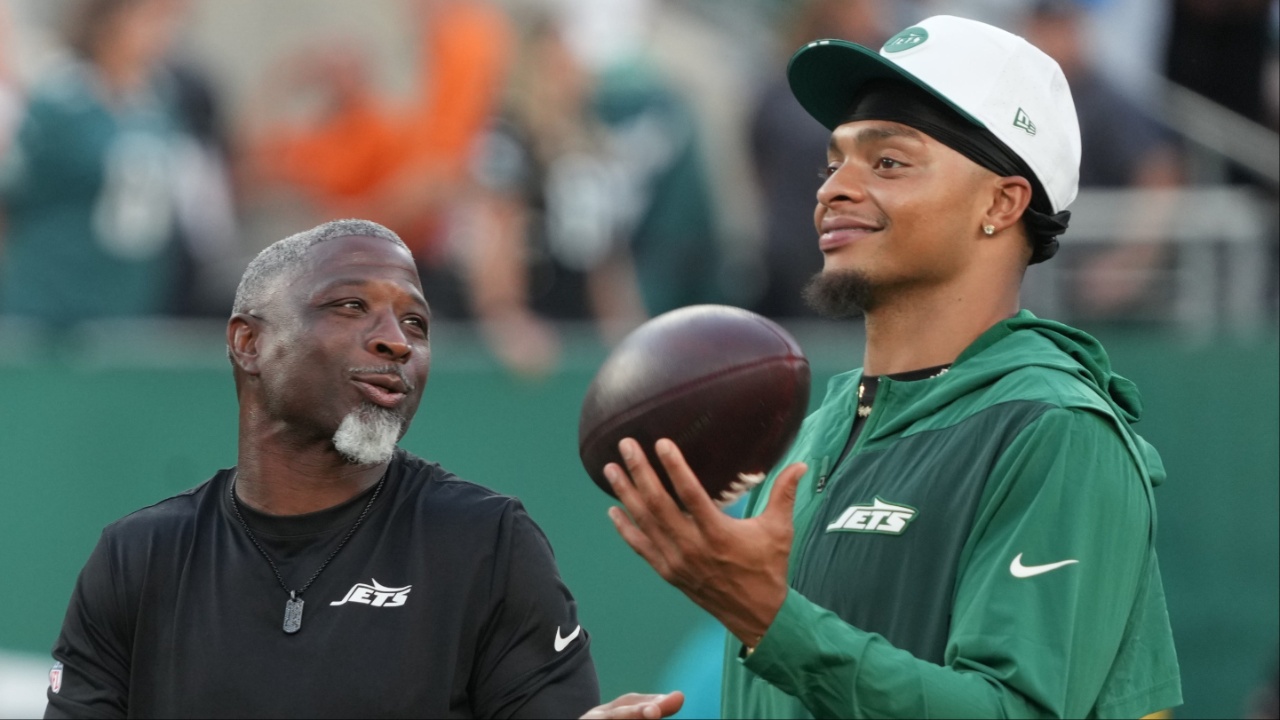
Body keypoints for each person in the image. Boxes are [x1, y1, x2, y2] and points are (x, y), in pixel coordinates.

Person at [600, 15, 1182, 719]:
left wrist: (765, 616)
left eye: (888, 163)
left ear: (1002, 202)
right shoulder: (821, 428)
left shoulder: (1059, 432)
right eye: (833, 160)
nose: (832, 189)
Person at [44, 219, 600, 718]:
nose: (398, 342)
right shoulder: (137, 559)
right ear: (248, 342)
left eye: (416, 322)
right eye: (351, 306)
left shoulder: (487, 543)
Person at [0, 0, 191, 328]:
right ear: (109, 22)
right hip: (48, 296)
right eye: (148, 20)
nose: (161, 34)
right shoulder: (60, 100)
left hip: (127, 295)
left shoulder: (160, 104)